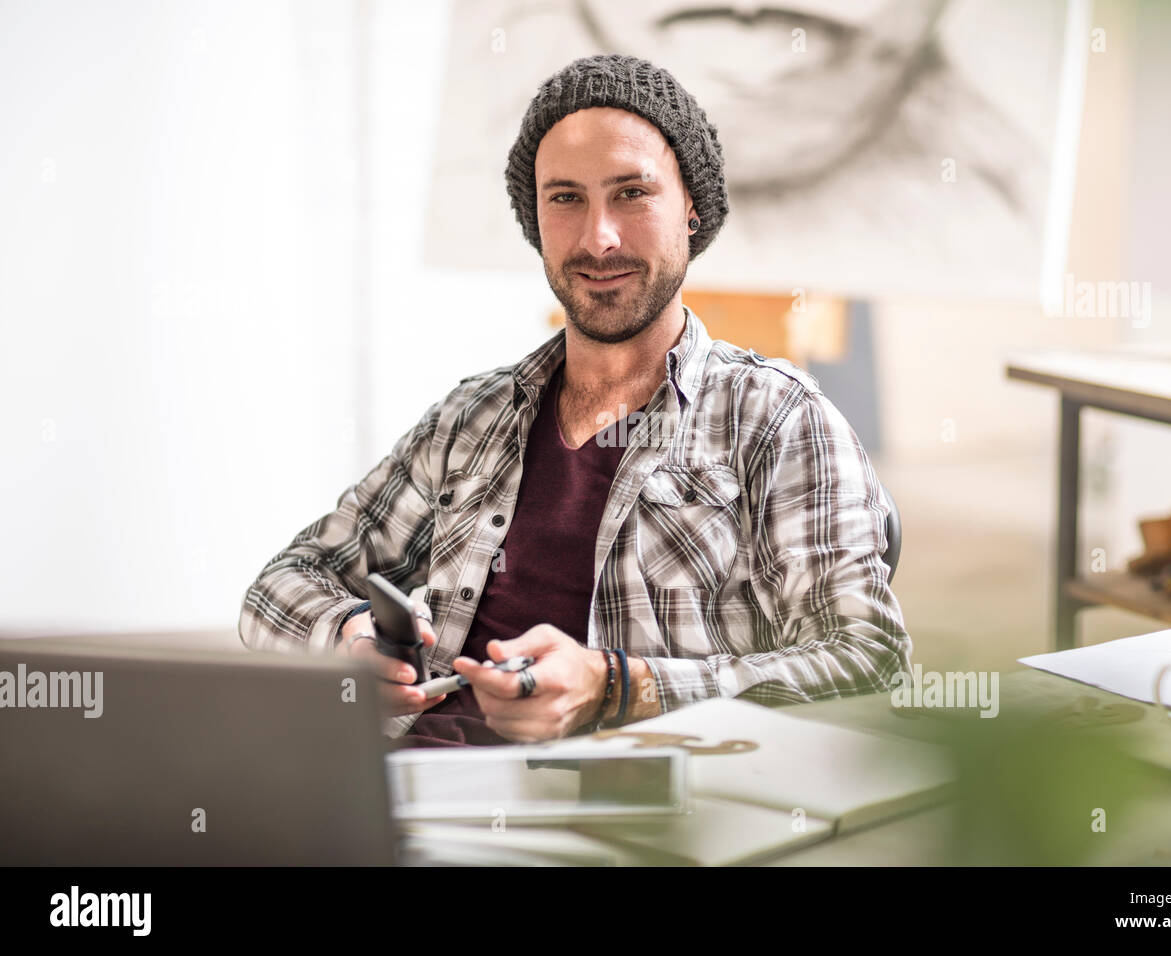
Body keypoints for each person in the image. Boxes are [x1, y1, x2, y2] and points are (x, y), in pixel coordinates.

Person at [239, 54, 911, 747]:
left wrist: (617, 686)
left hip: (626, 820)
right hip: (410, 794)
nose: (599, 238)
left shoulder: (775, 419)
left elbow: (867, 661)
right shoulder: (473, 417)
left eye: (632, 193)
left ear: (692, 211)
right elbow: (283, 583)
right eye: (566, 198)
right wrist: (348, 636)